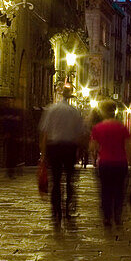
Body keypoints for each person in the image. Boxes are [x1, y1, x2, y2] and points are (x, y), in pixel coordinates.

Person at [39, 84, 85, 229]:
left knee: (56, 181)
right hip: (69, 148)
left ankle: (56, 213)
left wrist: (43, 153)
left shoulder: (51, 110)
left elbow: (45, 133)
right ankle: (69, 212)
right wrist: (79, 151)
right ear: (70, 95)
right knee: (70, 181)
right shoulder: (75, 112)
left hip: (54, 148)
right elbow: (80, 134)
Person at [90, 101, 131, 228]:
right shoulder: (122, 127)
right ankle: (118, 215)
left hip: (105, 163)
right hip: (120, 163)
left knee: (105, 190)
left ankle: (107, 217)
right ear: (114, 111)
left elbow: (93, 147)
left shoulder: (98, 128)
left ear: (102, 112)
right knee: (119, 190)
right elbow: (129, 147)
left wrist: (94, 158)